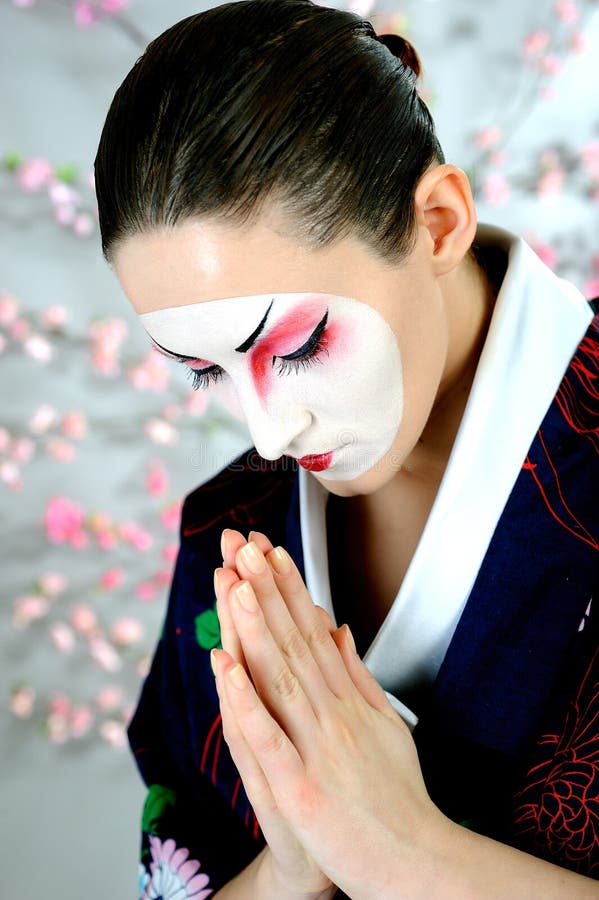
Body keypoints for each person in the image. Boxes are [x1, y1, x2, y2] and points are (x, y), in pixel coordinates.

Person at [93, 1, 599, 896]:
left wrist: (406, 853)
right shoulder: (231, 524)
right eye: (208, 370)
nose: (267, 434)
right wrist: (293, 868)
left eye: (295, 348)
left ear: (437, 223)